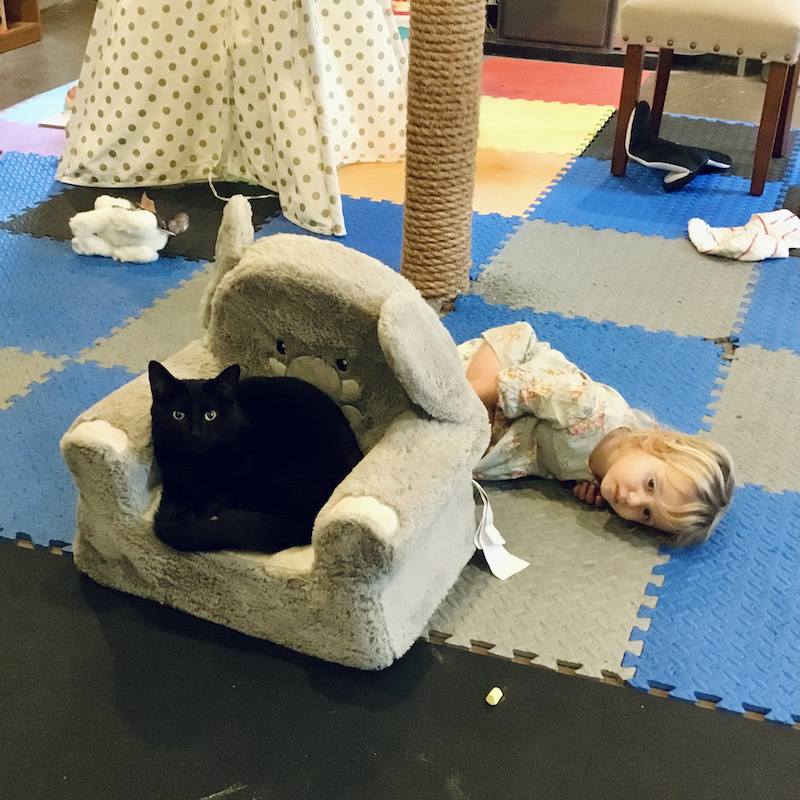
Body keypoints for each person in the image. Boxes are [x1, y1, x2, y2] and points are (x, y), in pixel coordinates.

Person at [460, 322, 734, 546]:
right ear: (657, 444)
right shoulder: (589, 408)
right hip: (506, 365)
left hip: (513, 425)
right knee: (464, 421)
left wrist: (589, 482)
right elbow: (515, 384)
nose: (632, 500)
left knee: (466, 454)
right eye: (650, 485)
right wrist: (460, 399)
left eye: (646, 514)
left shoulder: (616, 467)